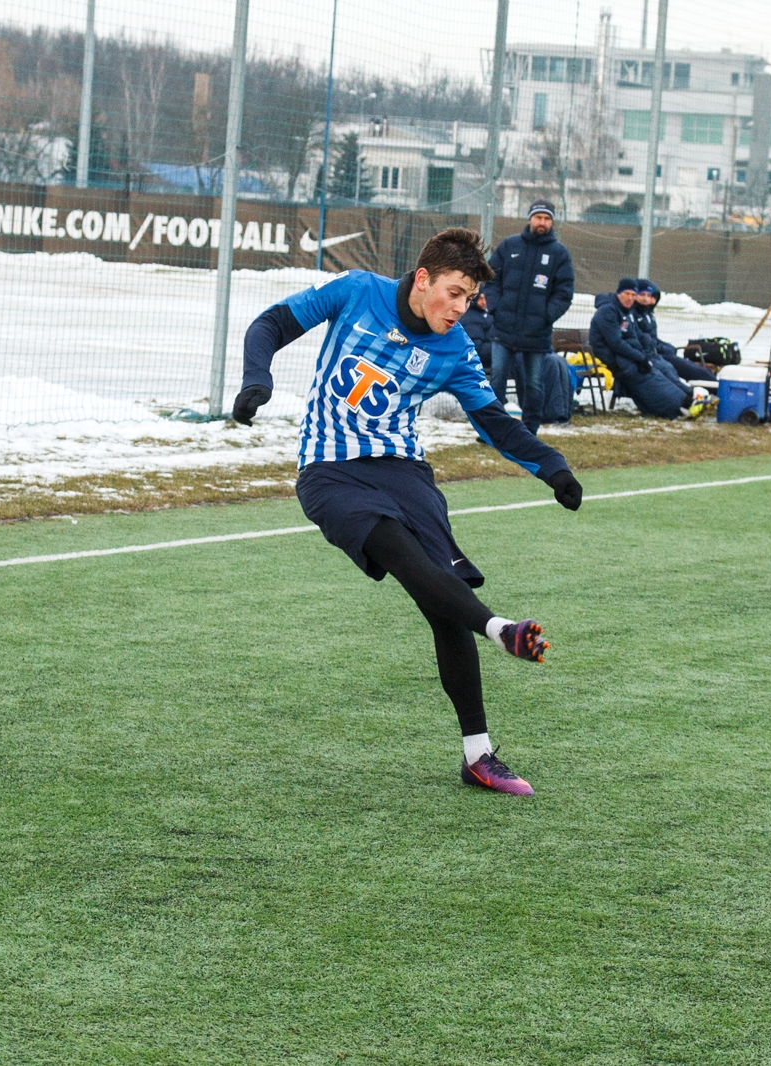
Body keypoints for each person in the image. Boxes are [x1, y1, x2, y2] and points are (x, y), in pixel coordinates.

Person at [229, 227, 585, 796]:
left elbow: (495, 422)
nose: (460, 308)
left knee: (445, 601)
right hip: (331, 470)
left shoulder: (455, 349)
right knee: (401, 554)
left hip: (405, 473)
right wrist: (257, 378)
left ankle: (478, 756)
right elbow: (270, 324)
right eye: (454, 292)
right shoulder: (355, 291)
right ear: (423, 280)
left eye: (470, 298)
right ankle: (499, 629)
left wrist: (552, 467)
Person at [485, 198, 575, 435]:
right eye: (538, 217)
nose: (542, 222)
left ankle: (529, 431)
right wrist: (496, 308)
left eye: (546, 218)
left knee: (534, 383)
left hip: (537, 333)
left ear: (552, 222)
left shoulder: (559, 253)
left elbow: (564, 293)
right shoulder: (509, 246)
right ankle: (493, 430)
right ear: (530, 219)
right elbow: (490, 279)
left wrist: (546, 316)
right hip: (503, 329)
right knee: (496, 379)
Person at [589, 278, 711, 420]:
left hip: (625, 355)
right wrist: (640, 357)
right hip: (611, 357)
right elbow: (615, 343)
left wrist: (644, 352)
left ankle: (686, 400)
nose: (630, 298)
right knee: (647, 375)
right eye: (627, 294)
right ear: (619, 293)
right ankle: (683, 405)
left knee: (656, 369)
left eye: (633, 295)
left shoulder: (626, 311)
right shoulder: (608, 311)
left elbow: (635, 336)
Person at [633, 279, 719, 385]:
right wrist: (665, 349)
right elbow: (645, 342)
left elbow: (653, 339)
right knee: (696, 373)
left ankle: (714, 387)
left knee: (703, 371)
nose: (650, 300)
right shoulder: (635, 316)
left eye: (651, 297)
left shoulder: (648, 315)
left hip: (658, 354)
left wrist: (668, 347)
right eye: (643, 295)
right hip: (654, 357)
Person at [460, 284, 503, 397]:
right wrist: (499, 347)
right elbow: (477, 348)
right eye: (481, 298)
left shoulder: (485, 315)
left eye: (485, 298)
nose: (484, 302)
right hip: (483, 360)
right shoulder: (472, 318)